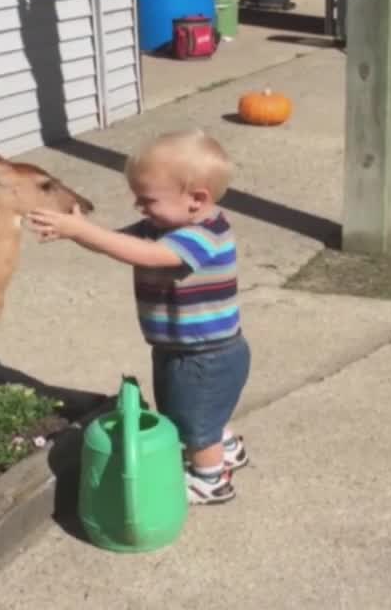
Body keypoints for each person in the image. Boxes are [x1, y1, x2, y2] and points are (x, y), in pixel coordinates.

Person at [27, 129, 250, 505]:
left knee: (193, 421)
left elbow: (147, 256)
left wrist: (81, 231)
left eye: (147, 200)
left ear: (197, 199)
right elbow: (117, 243)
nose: (139, 207)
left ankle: (210, 480)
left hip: (207, 356)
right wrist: (78, 231)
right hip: (180, 348)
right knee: (194, 410)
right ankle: (225, 447)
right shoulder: (163, 226)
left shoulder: (203, 235)